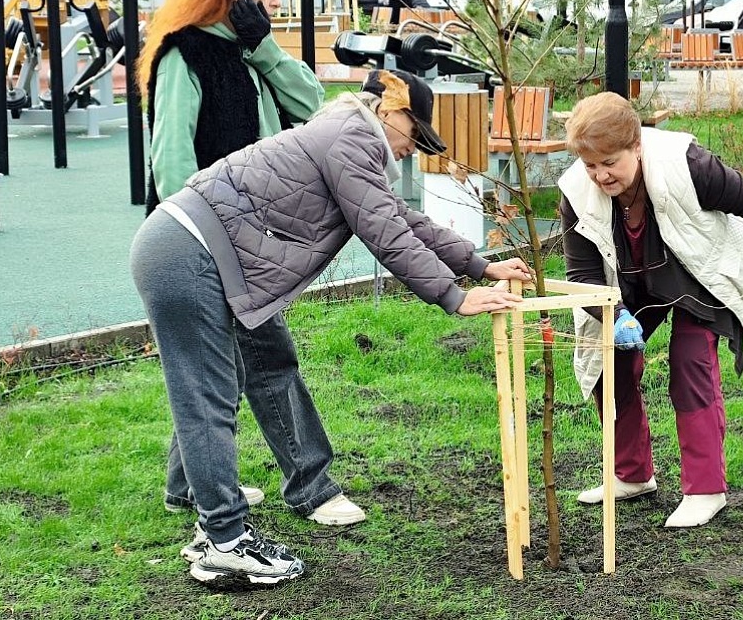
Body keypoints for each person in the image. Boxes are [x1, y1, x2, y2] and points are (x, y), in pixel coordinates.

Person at [130, 69, 531, 584]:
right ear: (389, 111)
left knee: (269, 361)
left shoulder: (350, 139)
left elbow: (402, 219)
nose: (415, 149)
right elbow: (385, 233)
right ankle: (223, 540)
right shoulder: (352, 135)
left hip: (218, 258)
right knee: (207, 392)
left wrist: (479, 265)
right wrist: (454, 297)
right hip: (189, 254)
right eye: (415, 134)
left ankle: (201, 488)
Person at [136, 0, 365, 544]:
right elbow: (171, 161)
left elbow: (312, 104)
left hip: (247, 238)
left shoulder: (251, 49)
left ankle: (187, 485)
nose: (273, 1)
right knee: (267, 358)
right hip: (212, 240)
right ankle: (312, 484)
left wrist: (263, 46)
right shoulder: (185, 54)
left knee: (218, 367)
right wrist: (213, 240)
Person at [557, 93, 743, 529]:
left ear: (636, 145)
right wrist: (616, 315)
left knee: (689, 359)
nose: (600, 175)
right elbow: (582, 274)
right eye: (590, 165)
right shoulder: (576, 193)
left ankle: (705, 490)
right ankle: (631, 475)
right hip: (629, 281)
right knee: (607, 364)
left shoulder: (686, 165)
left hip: (698, 270)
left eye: (610, 162)